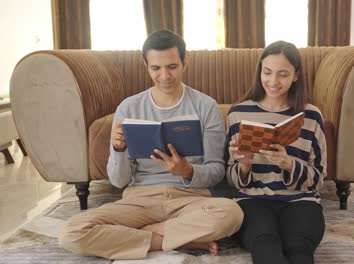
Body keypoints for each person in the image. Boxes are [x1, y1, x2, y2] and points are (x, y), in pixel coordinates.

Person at [59, 30, 243, 260]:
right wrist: (118, 150)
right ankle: (181, 238)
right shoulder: (129, 108)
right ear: (146, 66)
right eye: (156, 68)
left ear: (185, 62)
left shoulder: (206, 106)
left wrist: (187, 171)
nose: (164, 75)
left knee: (231, 214)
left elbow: (216, 170)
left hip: (191, 199)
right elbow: (118, 181)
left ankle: (141, 236)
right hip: (140, 200)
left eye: (172, 66)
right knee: (72, 232)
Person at [225, 40, 326, 264]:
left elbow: (318, 179)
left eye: (282, 74)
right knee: (266, 245)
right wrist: (244, 166)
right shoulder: (238, 114)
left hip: (301, 201)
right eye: (267, 72)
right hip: (252, 200)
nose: (273, 81)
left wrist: (289, 164)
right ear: (260, 71)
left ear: (296, 75)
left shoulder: (311, 116)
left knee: (298, 248)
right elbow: (231, 180)